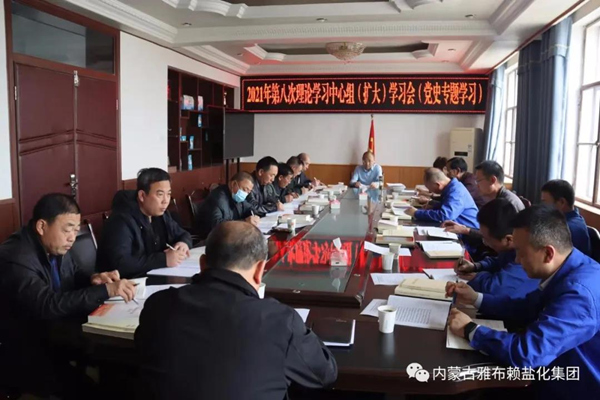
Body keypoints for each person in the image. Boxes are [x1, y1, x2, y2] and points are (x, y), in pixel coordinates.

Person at [135, 221, 338, 400]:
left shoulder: (157, 306)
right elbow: (325, 373)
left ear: (202, 264)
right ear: (260, 270)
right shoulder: (279, 320)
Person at [447, 205, 600, 398]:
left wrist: (470, 330)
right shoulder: (570, 265)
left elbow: (528, 353)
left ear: (548, 253)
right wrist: (476, 298)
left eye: (521, 252)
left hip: (572, 385)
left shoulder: (579, 294)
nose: (517, 261)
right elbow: (526, 307)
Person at [0, 193, 136, 399]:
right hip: (25, 347)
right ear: (42, 226)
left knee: (120, 365)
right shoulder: (16, 257)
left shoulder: (55, 245)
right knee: (92, 387)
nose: (72, 237)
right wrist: (105, 291)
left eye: (75, 229)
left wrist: (94, 279)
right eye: (67, 229)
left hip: (56, 331)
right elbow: (47, 304)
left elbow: (72, 275)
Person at [97, 168, 192, 278]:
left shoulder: (160, 214)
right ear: (142, 196)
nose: (166, 200)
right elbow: (121, 264)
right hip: (125, 283)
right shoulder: (121, 221)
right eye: (160, 194)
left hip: (153, 277)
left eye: (168, 194)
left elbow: (183, 234)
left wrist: (183, 243)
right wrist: (164, 259)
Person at [454, 199, 539, 297]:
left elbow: (496, 288)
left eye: (487, 239)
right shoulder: (509, 249)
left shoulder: (523, 257)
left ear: (508, 239)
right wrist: (476, 266)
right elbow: (499, 261)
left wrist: (477, 277)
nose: (485, 243)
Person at [443, 160, 524, 238]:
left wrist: (466, 230)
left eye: (478, 181)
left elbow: (495, 238)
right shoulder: (493, 198)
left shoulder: (507, 204)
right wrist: (463, 228)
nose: (476, 185)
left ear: (492, 180)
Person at [405, 168, 479, 229]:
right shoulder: (451, 187)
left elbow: (445, 215)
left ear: (438, 185)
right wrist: (434, 206)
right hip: (456, 226)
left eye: (430, 188)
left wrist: (416, 213)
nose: (430, 191)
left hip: (468, 233)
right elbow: (447, 206)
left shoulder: (456, 192)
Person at [195, 171, 260, 240]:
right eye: (244, 189)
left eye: (248, 192)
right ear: (233, 184)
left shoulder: (235, 195)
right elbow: (217, 225)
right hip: (212, 239)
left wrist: (253, 216)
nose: (245, 194)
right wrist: (244, 222)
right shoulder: (218, 198)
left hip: (230, 236)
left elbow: (249, 208)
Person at [541, 179, 592, 256]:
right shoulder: (572, 218)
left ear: (562, 202)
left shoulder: (567, 229)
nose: (543, 207)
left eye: (545, 202)